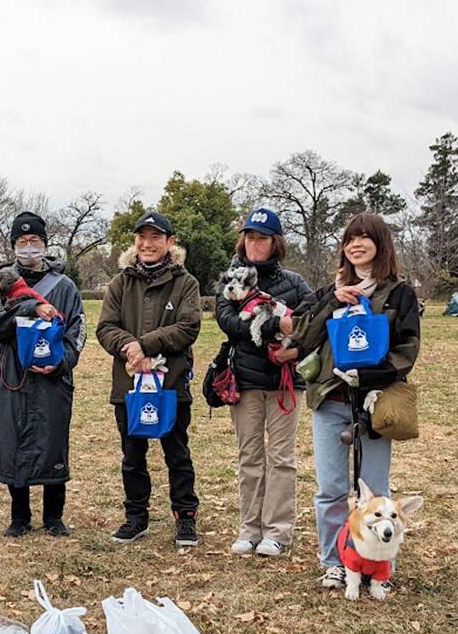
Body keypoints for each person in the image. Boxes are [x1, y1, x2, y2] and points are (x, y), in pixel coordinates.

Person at [283, 212, 420, 589]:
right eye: (350, 239)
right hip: (330, 397)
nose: (356, 245)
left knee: (375, 488)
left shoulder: (398, 293)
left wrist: (370, 376)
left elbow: (407, 348)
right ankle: (334, 560)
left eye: (364, 238)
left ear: (381, 244)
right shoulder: (332, 289)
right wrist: (331, 301)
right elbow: (302, 337)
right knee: (330, 488)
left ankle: (377, 566)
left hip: (374, 401)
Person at [95, 211, 202, 546]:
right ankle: (135, 517)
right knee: (132, 456)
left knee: (177, 453)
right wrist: (128, 348)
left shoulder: (186, 283)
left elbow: (188, 327)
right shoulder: (120, 283)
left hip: (170, 386)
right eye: (142, 237)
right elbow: (105, 327)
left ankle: (185, 516)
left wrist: (144, 344)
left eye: (156, 237)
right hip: (129, 387)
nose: (147, 243)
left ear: (169, 242)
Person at [0, 212, 86, 537]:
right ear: (13, 246)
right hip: (12, 372)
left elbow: (77, 329)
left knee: (52, 442)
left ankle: (54, 516)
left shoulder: (65, 286)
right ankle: (19, 516)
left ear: (45, 244)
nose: (29, 247)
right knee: (13, 440)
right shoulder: (0, 282)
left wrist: (63, 361)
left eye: (35, 241)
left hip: (52, 377)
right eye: (23, 242)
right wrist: (31, 307)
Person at [214, 207, 312, 556]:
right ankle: (249, 528)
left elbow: (309, 324)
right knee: (250, 456)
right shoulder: (230, 279)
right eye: (251, 237)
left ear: (276, 242)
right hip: (245, 381)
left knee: (282, 457)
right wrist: (274, 326)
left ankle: (278, 531)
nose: (256, 244)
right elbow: (229, 322)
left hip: (286, 381)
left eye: (263, 238)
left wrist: (294, 348)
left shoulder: (295, 283)